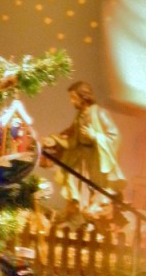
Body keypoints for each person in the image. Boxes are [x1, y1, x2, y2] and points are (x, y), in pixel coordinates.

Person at [42, 81, 127, 227]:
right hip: (80, 157)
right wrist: (54, 139)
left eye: (74, 98)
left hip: (94, 160)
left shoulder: (99, 113)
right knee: (72, 182)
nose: (72, 101)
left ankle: (88, 220)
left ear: (84, 97)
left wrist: (94, 136)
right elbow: (71, 134)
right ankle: (75, 216)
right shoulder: (80, 115)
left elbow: (115, 136)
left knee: (90, 189)